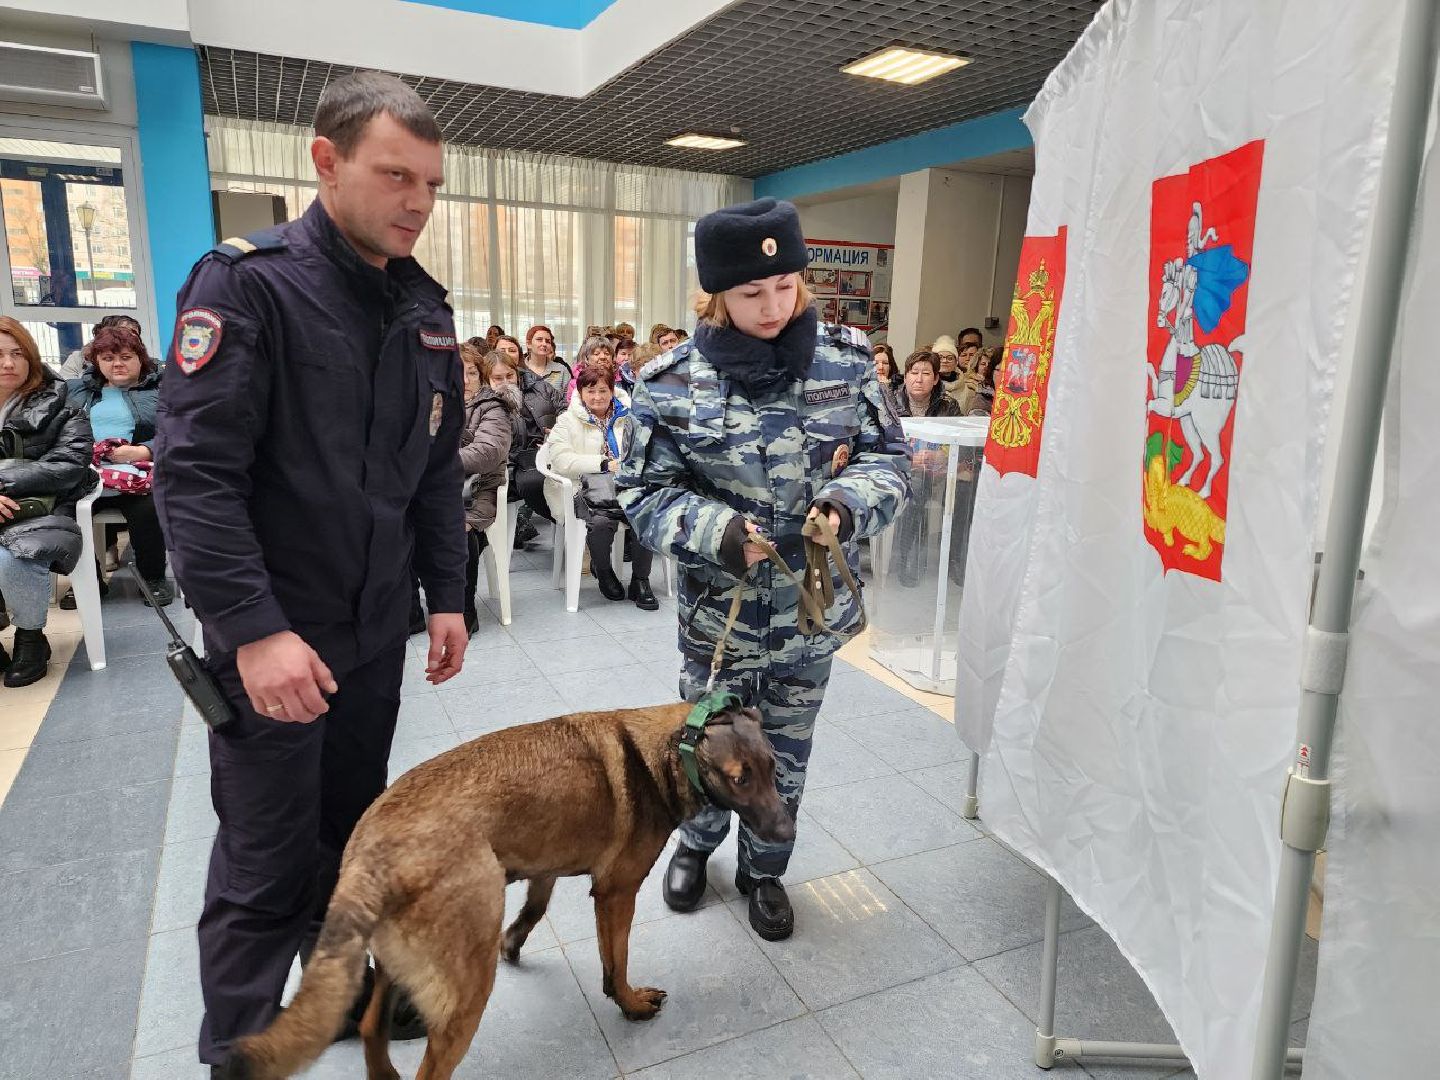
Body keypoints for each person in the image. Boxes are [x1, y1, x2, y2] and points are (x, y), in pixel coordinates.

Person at [151, 72, 470, 1070]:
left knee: (350, 840)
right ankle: (239, 1056)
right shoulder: (247, 285)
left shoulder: (423, 305)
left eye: (431, 182)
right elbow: (194, 479)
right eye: (395, 175)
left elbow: (433, 472)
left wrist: (448, 595)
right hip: (274, 642)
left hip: (373, 634)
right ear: (326, 162)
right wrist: (251, 631)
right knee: (263, 864)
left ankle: (334, 1002)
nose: (418, 201)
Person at [620, 197, 909, 941]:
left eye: (786, 286)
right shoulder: (670, 383)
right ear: (716, 294)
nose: (774, 306)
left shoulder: (847, 362)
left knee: (787, 752)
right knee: (708, 747)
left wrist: (846, 504)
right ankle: (696, 844)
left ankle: (765, 870)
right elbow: (642, 493)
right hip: (721, 622)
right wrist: (718, 531)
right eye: (752, 293)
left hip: (808, 624)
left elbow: (890, 460)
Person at [0, 318, 92, 687]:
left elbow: (69, 464)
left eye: (17, 354)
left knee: (11, 556)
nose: (8, 363)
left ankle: (30, 637)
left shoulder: (62, 403)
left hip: (43, 508)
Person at [61, 321, 172, 609]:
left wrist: (144, 451)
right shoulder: (76, 392)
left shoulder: (163, 389)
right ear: (97, 362)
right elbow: (59, 433)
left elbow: (185, 434)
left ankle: (153, 578)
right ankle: (88, 581)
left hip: (139, 475)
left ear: (140, 359)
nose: (117, 365)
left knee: (148, 508)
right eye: (108, 358)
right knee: (65, 511)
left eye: (126, 357)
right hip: (85, 475)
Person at [543, 363, 657, 609]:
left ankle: (640, 580)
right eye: (590, 391)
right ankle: (603, 570)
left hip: (625, 488)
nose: (597, 397)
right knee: (601, 522)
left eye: (603, 391)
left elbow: (646, 452)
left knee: (644, 514)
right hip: (580, 489)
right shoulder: (567, 420)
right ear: (581, 393)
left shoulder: (629, 417)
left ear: (612, 391)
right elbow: (561, 461)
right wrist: (603, 464)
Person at [457, 344, 514, 634]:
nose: (464, 380)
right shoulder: (433, 402)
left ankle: (464, 610)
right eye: (457, 373)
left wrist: (434, 460)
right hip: (438, 488)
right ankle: (412, 611)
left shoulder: (493, 407)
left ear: (480, 375)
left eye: (470, 373)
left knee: (459, 529)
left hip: (480, 487)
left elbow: (488, 452)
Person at [499, 346, 565, 545]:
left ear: (517, 372)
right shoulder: (488, 398)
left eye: (509, 375)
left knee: (570, 482)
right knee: (533, 482)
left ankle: (578, 529)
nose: (505, 382)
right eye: (497, 378)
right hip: (509, 460)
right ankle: (574, 527)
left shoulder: (540, 387)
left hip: (543, 452)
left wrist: (558, 429)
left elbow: (564, 408)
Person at [57, 313, 144, 379]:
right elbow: (65, 389)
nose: (131, 339)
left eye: (135, 335)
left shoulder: (141, 361)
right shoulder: (78, 359)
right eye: (124, 334)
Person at [895, 349, 963, 419]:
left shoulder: (948, 405)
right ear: (905, 378)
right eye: (914, 373)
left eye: (926, 373)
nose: (919, 380)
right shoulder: (890, 402)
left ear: (935, 379)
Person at [523, 324, 570, 389]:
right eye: (539, 340)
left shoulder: (561, 370)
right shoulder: (519, 369)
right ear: (529, 344)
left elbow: (568, 396)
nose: (544, 344)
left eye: (548, 341)